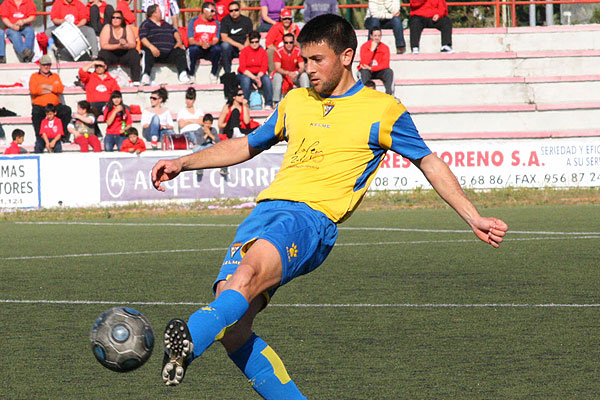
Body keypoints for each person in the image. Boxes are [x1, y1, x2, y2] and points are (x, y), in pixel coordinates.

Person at [151, 14, 508, 399]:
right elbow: (247, 144)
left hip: (309, 219)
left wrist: (473, 216)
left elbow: (428, 161)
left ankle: (189, 338)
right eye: (304, 60)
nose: (307, 69)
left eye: (317, 60)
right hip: (264, 214)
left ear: (346, 56)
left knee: (247, 276)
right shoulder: (295, 101)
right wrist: (184, 162)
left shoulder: (382, 109)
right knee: (233, 326)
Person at [139, 4, 190, 85]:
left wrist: (179, 41)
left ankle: (183, 74)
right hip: (154, 52)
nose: (161, 13)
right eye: (159, 11)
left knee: (180, 51)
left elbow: (175, 32)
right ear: (154, 13)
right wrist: (152, 47)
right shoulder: (146, 24)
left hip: (169, 52)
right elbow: (143, 38)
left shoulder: (166, 24)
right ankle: (146, 75)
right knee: (147, 51)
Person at [29, 54, 72, 147]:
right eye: (44, 65)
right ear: (40, 65)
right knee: (36, 113)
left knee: (66, 110)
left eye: (48, 64)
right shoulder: (34, 76)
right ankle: (40, 139)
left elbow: (60, 89)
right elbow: (34, 90)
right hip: (40, 106)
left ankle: (63, 137)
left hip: (54, 106)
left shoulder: (55, 76)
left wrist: (43, 86)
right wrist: (52, 87)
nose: (46, 67)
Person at [98, 10, 142, 84]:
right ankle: (100, 78)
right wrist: (118, 45)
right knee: (103, 54)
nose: (115, 19)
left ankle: (136, 80)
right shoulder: (107, 27)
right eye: (113, 17)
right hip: (111, 54)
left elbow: (133, 44)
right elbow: (103, 45)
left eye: (118, 18)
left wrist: (126, 45)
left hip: (124, 54)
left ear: (122, 20)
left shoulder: (127, 28)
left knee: (134, 53)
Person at [187, 2, 222, 82]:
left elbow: (216, 39)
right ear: (204, 10)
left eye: (214, 11)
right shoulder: (193, 21)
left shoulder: (216, 23)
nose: (214, 14)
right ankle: (191, 73)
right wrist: (201, 44)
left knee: (218, 49)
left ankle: (213, 73)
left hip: (210, 47)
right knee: (193, 49)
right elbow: (190, 40)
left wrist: (209, 44)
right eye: (212, 11)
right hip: (198, 47)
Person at [238, 30, 273, 110]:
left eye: (256, 42)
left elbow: (264, 67)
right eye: (252, 42)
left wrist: (258, 77)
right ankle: (245, 102)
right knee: (245, 79)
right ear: (249, 42)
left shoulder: (263, 51)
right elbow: (243, 68)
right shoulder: (244, 51)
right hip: (246, 73)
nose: (254, 44)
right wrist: (255, 78)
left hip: (259, 73)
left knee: (267, 79)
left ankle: (269, 103)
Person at [272, 33, 309, 104]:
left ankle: (306, 99)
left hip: (295, 74)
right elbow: (277, 68)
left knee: (304, 75)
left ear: (293, 42)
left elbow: (302, 67)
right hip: (284, 75)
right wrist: (288, 73)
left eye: (291, 42)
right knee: (277, 76)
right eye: (286, 42)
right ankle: (276, 101)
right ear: (283, 43)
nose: (288, 44)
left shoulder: (298, 51)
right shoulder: (278, 52)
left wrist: (297, 73)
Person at [358, 27, 395, 95]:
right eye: (375, 35)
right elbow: (364, 63)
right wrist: (371, 50)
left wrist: (372, 68)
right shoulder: (364, 46)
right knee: (364, 72)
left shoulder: (385, 47)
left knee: (389, 72)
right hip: (367, 71)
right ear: (371, 36)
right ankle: (365, 95)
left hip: (378, 71)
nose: (377, 38)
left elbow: (385, 65)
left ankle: (389, 95)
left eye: (379, 36)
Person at [220, 1, 253, 74]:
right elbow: (224, 38)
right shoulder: (225, 21)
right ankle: (227, 72)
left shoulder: (247, 20)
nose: (234, 12)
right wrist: (238, 45)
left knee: (256, 45)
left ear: (240, 10)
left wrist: (244, 48)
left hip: (245, 46)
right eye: (231, 11)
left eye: (236, 10)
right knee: (225, 45)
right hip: (232, 48)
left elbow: (250, 37)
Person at [265, 8, 300, 72]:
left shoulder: (295, 27)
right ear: (281, 19)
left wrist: (293, 34)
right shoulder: (275, 27)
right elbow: (268, 44)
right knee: (269, 51)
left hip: (292, 52)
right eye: (284, 19)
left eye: (289, 19)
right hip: (278, 52)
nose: (287, 20)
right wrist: (279, 52)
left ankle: (297, 72)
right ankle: (272, 74)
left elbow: (299, 46)